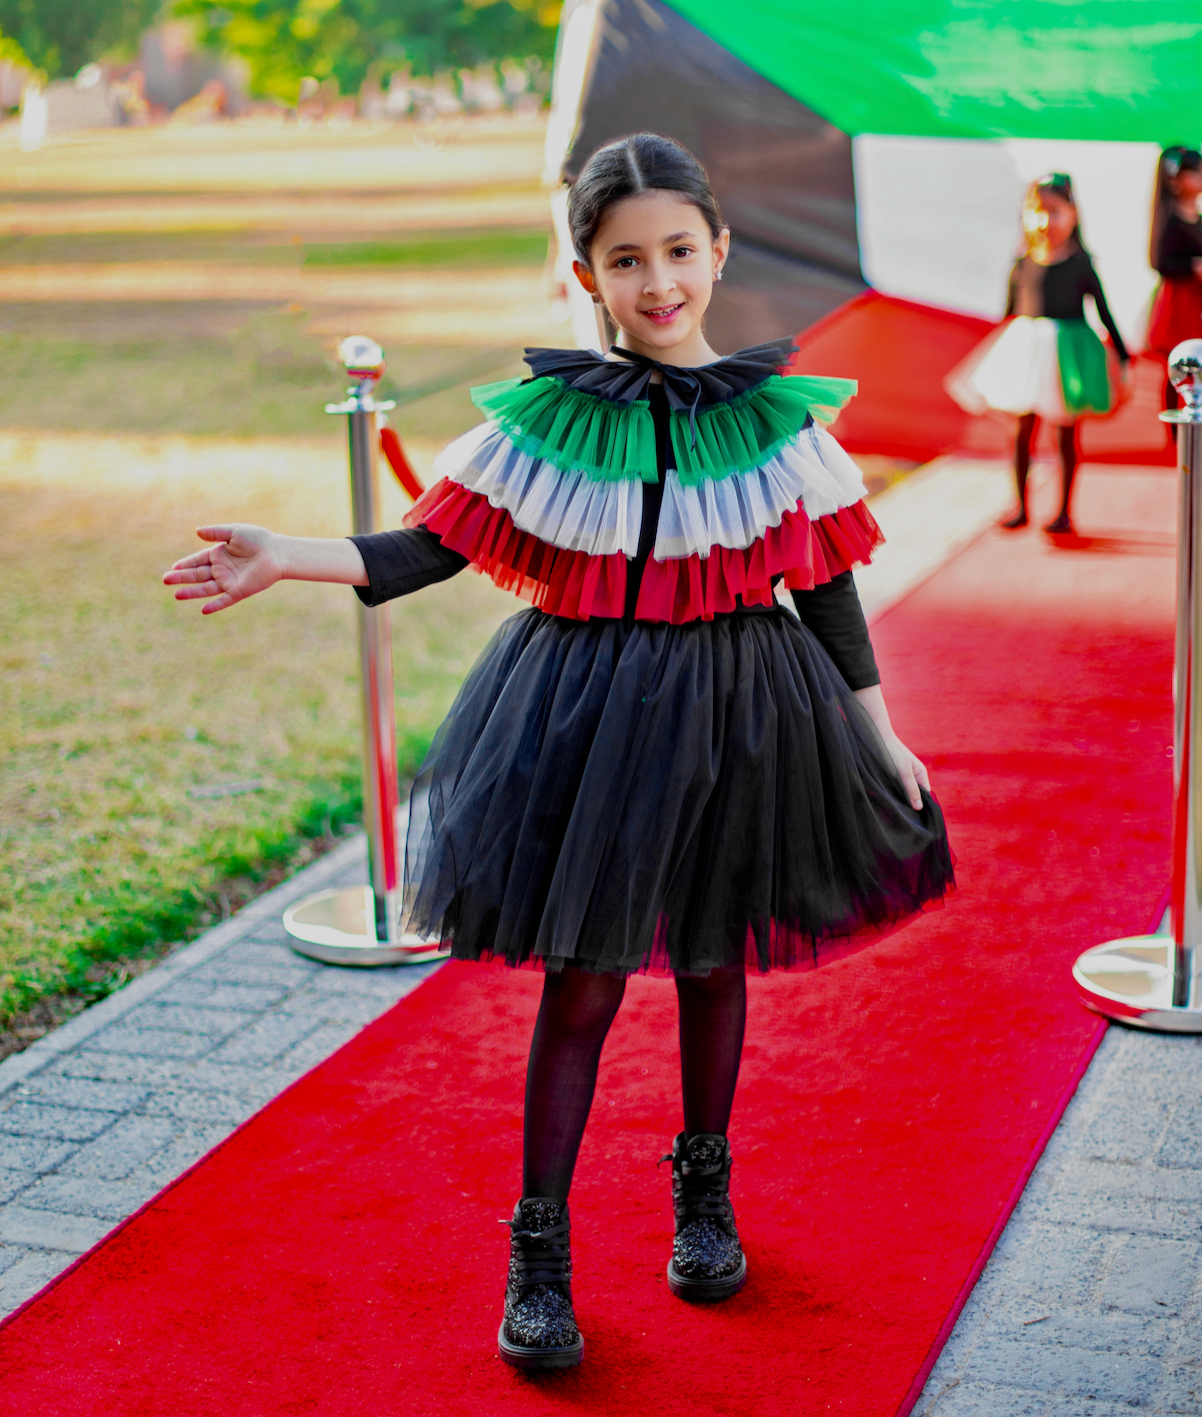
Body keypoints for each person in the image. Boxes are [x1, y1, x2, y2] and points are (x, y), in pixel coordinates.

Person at [164, 134, 953, 1373]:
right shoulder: (550, 421)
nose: (658, 283)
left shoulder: (777, 421)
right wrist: (288, 550)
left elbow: (827, 588)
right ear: (585, 271)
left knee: (711, 954)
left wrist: (876, 728)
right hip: (589, 712)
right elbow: (426, 549)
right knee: (581, 981)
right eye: (625, 259)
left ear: (718, 250)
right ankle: (540, 1251)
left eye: (678, 252)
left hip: (745, 708)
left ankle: (703, 1196)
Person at [947, 172, 1129, 536]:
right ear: (1026, 215)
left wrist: (1123, 356)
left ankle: (1063, 511)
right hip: (1024, 357)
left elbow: (1104, 312)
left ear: (1073, 214)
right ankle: (1020, 505)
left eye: (1056, 211)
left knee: (1065, 433)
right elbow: (1008, 313)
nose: (1046, 221)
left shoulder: (1081, 265)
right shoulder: (1022, 263)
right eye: (1038, 211)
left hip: (1068, 359)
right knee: (1020, 432)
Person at [1146, 146, 1202, 418]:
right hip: (1178, 302)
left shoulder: (1198, 217)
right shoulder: (1170, 219)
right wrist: (1193, 267)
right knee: (1177, 365)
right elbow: (1159, 262)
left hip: (1197, 299)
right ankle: (1174, 428)